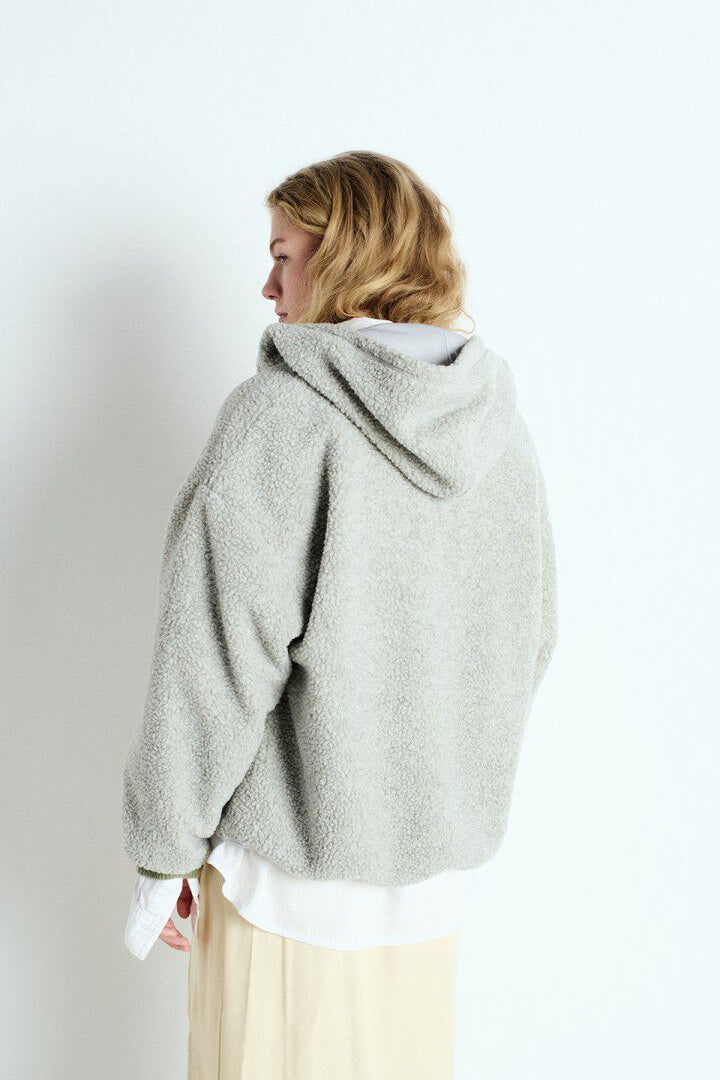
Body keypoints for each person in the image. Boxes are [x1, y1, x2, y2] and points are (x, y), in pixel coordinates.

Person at [121, 149, 558, 1079]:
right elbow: (528, 641)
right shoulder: (498, 433)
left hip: (283, 888)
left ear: (344, 256)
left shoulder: (281, 419)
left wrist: (164, 853)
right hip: (428, 898)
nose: (267, 287)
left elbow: (212, 660)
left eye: (283, 256)